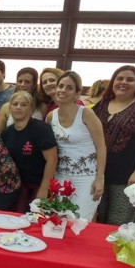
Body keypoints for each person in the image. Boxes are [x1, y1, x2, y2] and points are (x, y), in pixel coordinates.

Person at [93, 65, 135, 225]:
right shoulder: (102, 104)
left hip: (128, 178)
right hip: (100, 175)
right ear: (113, 82)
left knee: (119, 222)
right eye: (120, 78)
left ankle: (116, 251)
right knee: (99, 220)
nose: (124, 82)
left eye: (130, 79)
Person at [46, 71, 106, 221]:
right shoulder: (50, 116)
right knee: (59, 220)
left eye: (69, 88)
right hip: (61, 176)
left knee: (79, 221)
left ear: (77, 93)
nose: (63, 90)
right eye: (60, 86)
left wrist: (99, 178)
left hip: (86, 178)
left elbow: (101, 147)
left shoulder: (86, 114)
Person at [0, 91, 58, 212]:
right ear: (10, 108)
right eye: (15, 104)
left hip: (39, 183)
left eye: (23, 104)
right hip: (18, 185)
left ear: (31, 109)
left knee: (35, 219)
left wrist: (44, 188)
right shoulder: (7, 133)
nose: (18, 107)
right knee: (17, 217)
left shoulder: (41, 129)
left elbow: (52, 159)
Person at [0, 67, 47, 134]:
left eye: (27, 82)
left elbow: (45, 131)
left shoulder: (42, 107)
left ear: (34, 85)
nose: (22, 85)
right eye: (20, 81)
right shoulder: (6, 107)